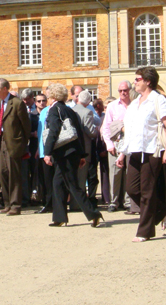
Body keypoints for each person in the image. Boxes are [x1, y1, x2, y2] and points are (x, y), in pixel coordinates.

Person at [116, 66, 166, 242]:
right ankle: (161, 209)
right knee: (132, 189)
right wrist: (121, 154)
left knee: (148, 191)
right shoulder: (134, 104)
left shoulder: (158, 100)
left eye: (137, 79)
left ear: (147, 81)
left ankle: (144, 232)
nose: (135, 82)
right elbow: (129, 130)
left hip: (152, 150)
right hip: (134, 151)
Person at [42, 83, 104, 228]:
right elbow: (78, 133)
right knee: (58, 184)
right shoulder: (69, 110)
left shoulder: (54, 110)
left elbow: (53, 131)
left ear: (52, 95)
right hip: (71, 152)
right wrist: (81, 154)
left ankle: (94, 213)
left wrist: (47, 152)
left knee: (72, 185)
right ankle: (59, 217)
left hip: (63, 153)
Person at [0, 78, 31, 216]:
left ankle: (16, 205)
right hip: (1, 141)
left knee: (14, 175)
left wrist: (22, 143)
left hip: (14, 143)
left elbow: (26, 125)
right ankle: (7, 204)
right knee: (3, 173)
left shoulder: (17, 103)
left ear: (4, 89)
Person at [100, 80, 132, 212]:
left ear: (130, 91)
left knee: (130, 172)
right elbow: (106, 127)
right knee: (115, 173)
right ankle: (113, 202)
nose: (123, 93)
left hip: (131, 143)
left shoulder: (135, 105)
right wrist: (109, 144)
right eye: (120, 91)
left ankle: (128, 201)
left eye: (125, 90)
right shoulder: (113, 106)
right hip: (116, 143)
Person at [35, 91, 54, 214]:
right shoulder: (43, 112)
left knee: (51, 179)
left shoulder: (51, 110)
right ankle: (47, 203)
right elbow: (41, 132)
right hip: (42, 151)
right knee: (45, 179)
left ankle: (51, 203)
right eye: (39, 101)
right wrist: (39, 149)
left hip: (50, 151)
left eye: (44, 100)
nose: (42, 103)